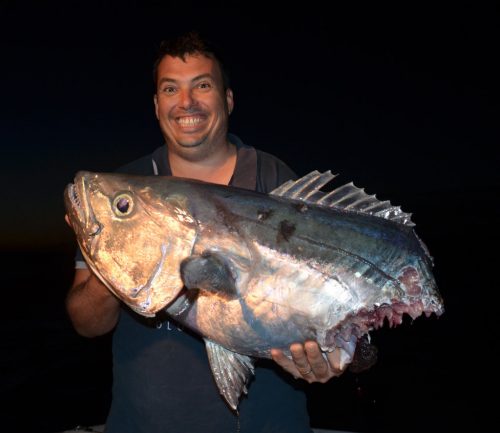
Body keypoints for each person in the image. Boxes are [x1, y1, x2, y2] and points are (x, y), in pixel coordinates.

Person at [66, 32, 347, 433]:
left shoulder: (274, 179)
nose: (186, 103)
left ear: (227, 99)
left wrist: (330, 356)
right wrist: (112, 253)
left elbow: (327, 300)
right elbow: (87, 324)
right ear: (156, 105)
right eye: (170, 89)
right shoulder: (123, 192)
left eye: (202, 84)